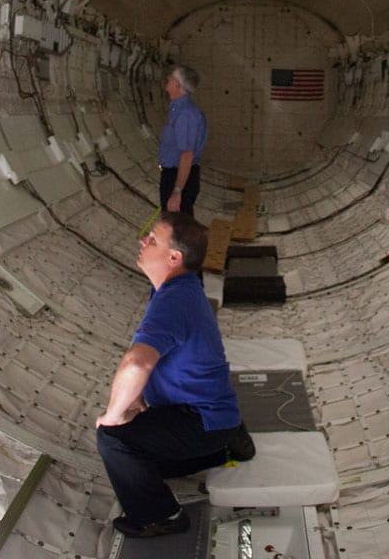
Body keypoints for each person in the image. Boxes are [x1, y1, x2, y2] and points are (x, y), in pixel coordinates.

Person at [95, 212, 254, 538]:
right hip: (212, 415)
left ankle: (163, 517)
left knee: (113, 441)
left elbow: (137, 364)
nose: (143, 241)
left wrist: (111, 417)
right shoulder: (177, 288)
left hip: (198, 419)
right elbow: (157, 357)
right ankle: (225, 448)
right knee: (141, 468)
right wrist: (137, 398)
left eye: (152, 239)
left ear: (173, 257)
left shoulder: (173, 300)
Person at [159, 65, 207, 215]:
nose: (167, 78)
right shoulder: (176, 109)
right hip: (172, 175)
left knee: (178, 229)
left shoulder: (186, 113)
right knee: (172, 228)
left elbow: (187, 154)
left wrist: (177, 191)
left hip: (179, 177)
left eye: (171, 77)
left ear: (177, 85)